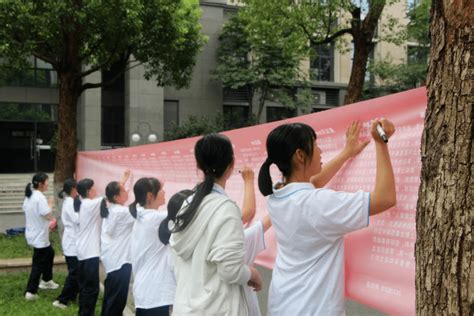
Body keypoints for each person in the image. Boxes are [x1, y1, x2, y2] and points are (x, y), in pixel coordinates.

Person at [258, 120, 397, 315]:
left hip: (283, 302)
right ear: (300, 155)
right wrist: (380, 142)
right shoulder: (316, 203)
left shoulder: (277, 194)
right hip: (313, 309)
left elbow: (313, 181)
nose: (320, 150)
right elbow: (385, 198)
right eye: (315, 145)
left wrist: (347, 152)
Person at [170, 133, 262, 316]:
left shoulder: (188, 204)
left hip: (187, 308)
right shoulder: (225, 208)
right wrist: (253, 274)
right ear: (231, 165)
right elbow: (230, 270)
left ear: (199, 166)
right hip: (216, 309)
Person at [130, 177, 175, 316]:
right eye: (160, 189)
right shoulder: (155, 219)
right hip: (154, 294)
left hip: (147, 292)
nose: (164, 191)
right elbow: (186, 215)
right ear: (150, 195)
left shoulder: (142, 215)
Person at [99, 170, 134, 316]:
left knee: (110, 299)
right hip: (120, 262)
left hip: (112, 261)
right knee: (116, 303)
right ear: (116, 197)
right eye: (124, 191)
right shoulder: (122, 212)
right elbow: (143, 211)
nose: (127, 192)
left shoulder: (111, 208)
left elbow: (116, 192)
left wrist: (123, 179)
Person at [23, 173, 58, 300]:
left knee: (50, 253)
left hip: (34, 233)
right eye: (47, 181)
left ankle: (47, 280)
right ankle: (30, 292)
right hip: (39, 236)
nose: (48, 183)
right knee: (38, 264)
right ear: (41, 183)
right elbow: (47, 214)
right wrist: (50, 204)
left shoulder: (29, 196)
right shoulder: (40, 198)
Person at [74, 178, 104, 316]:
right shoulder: (88, 204)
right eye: (93, 187)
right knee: (91, 289)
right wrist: (124, 179)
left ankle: (84, 312)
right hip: (89, 253)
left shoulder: (83, 203)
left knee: (86, 287)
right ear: (88, 191)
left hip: (83, 251)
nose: (96, 189)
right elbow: (110, 195)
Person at [53, 179, 80, 309]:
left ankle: (72, 296)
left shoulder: (71, 201)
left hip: (73, 240)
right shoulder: (69, 203)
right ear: (74, 189)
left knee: (76, 272)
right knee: (74, 273)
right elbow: (77, 219)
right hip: (71, 242)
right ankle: (62, 300)